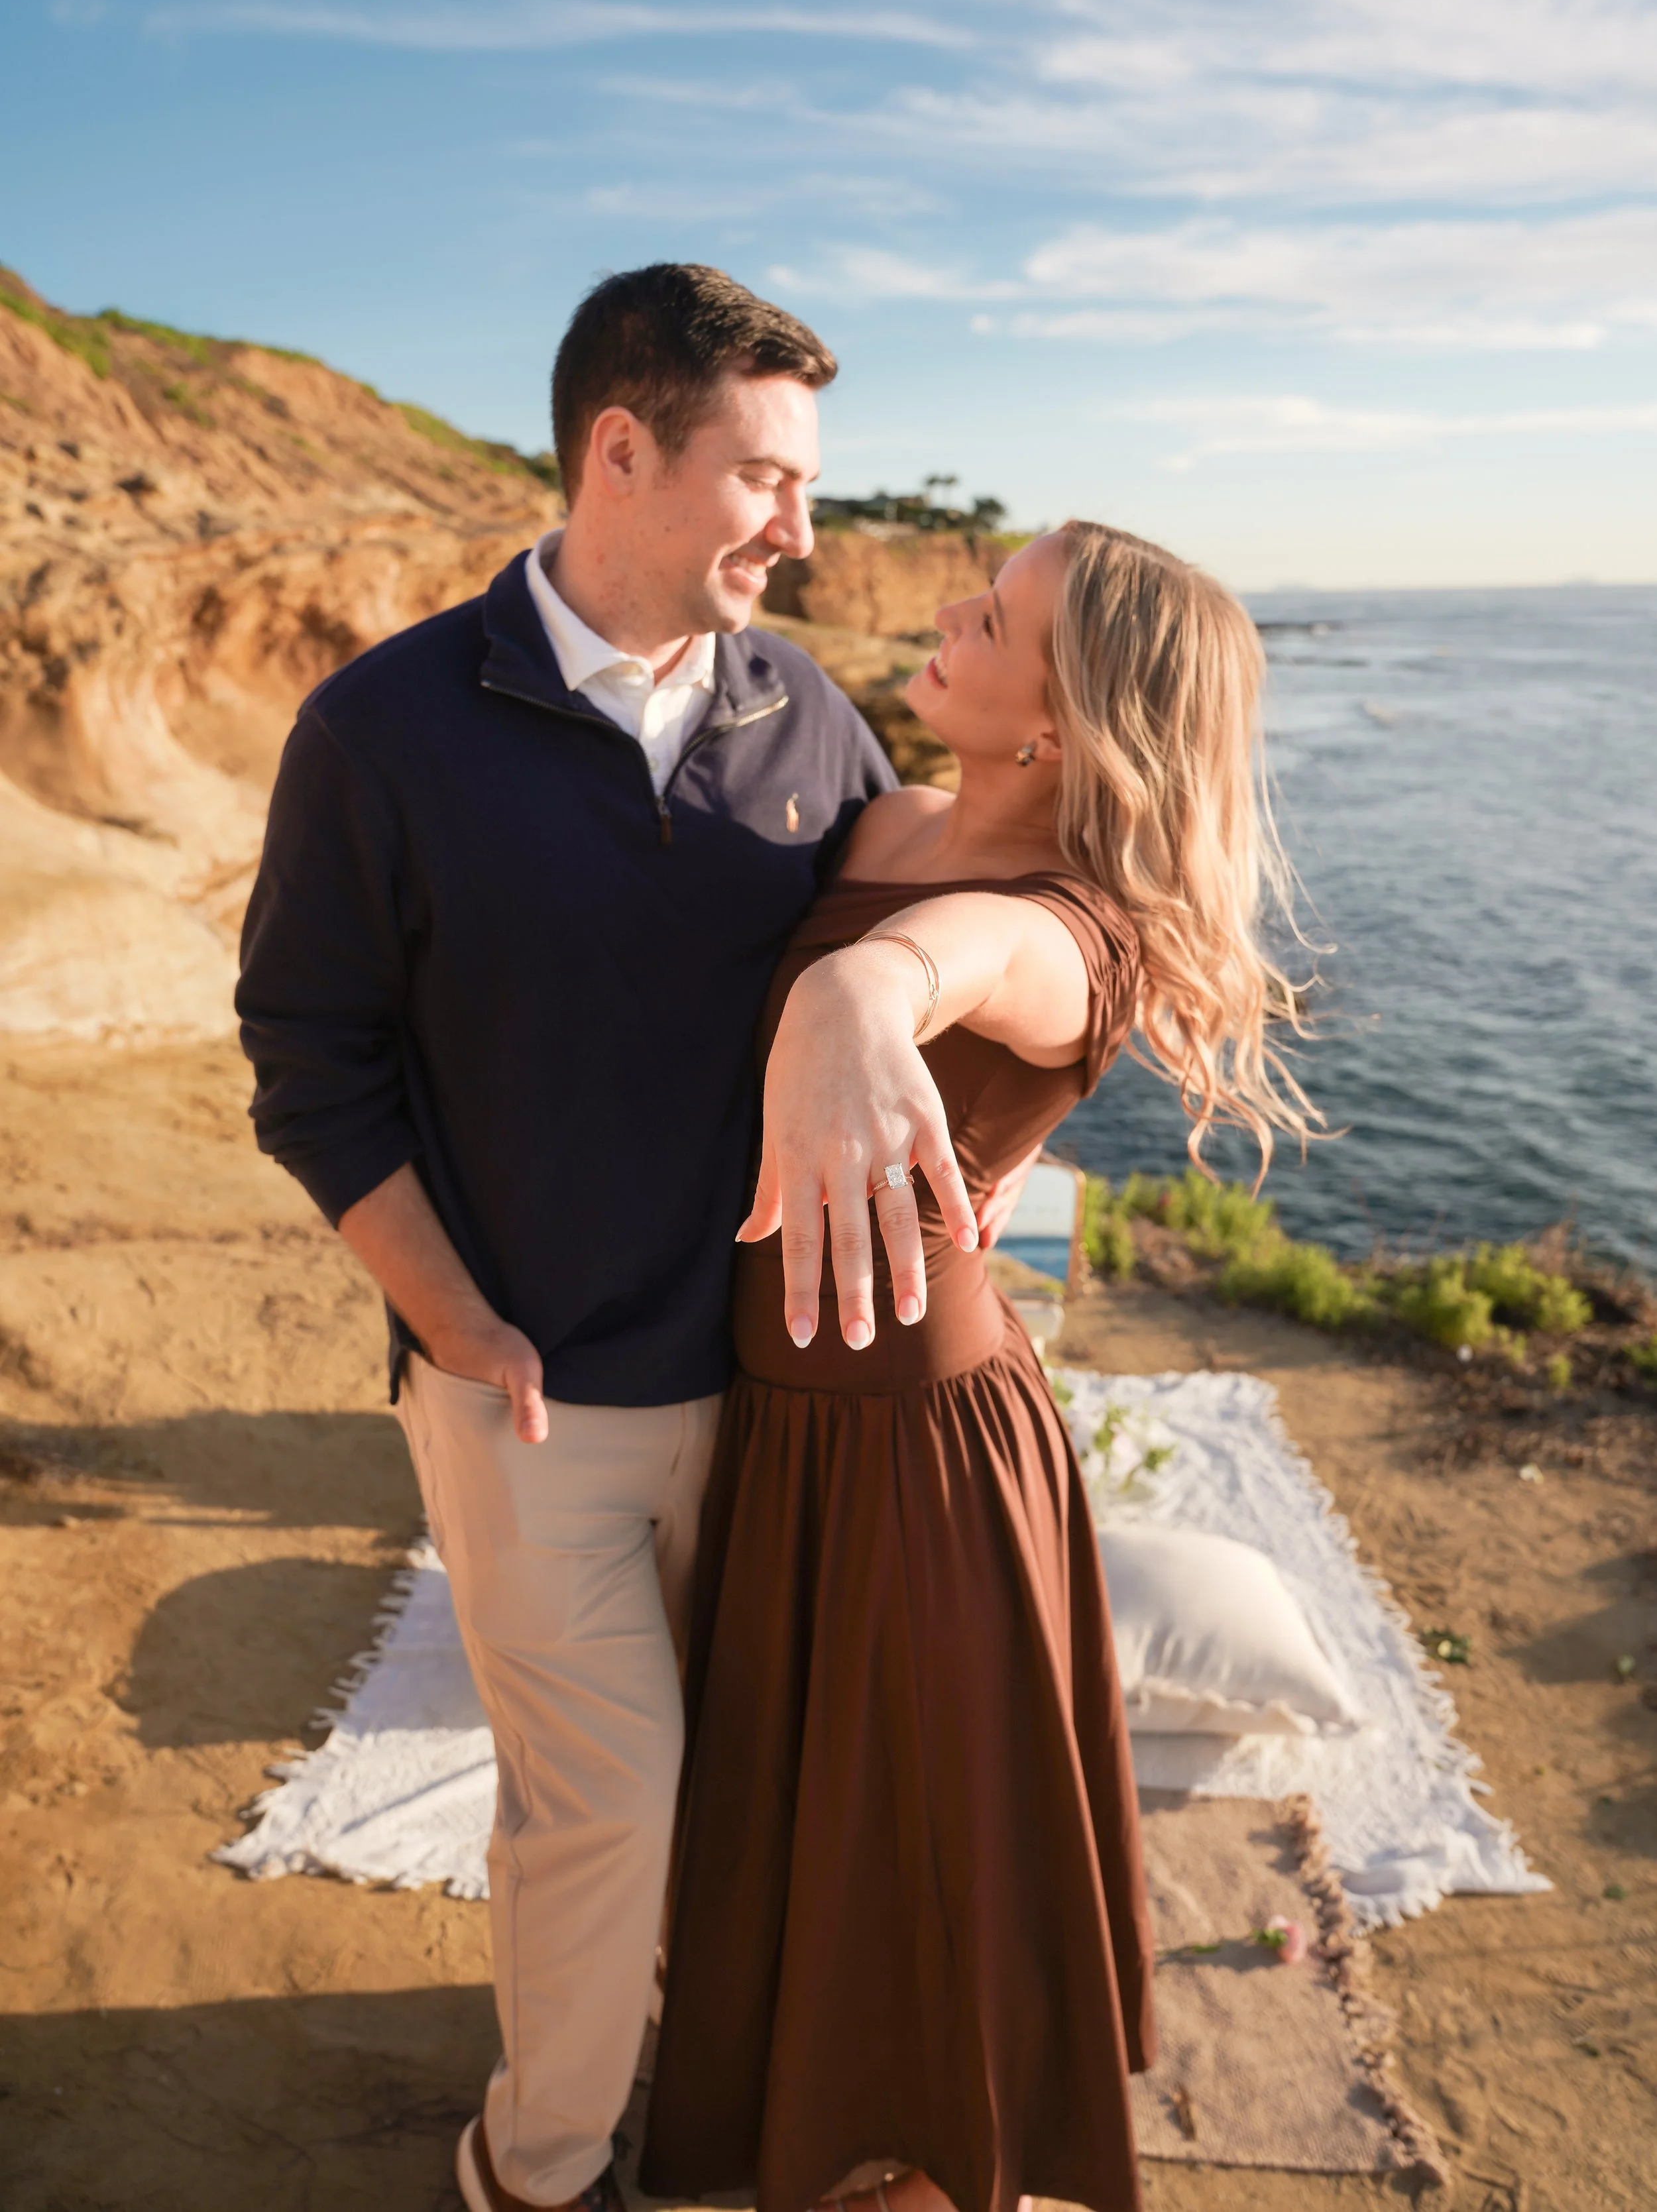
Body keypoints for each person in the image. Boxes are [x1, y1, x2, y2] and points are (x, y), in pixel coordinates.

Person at [237, 264, 1001, 2212]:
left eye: (808, 485)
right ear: (619, 450)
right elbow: (309, 1060)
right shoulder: (380, 727)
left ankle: (723, 2098)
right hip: (530, 1394)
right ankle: (541, 2167)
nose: (799, 530)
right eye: (762, 478)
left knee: (739, 1795)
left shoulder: (801, 706)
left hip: (766, 1397)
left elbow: (942, 908)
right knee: (609, 1804)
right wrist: (457, 1323)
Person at [640, 521, 1318, 2212]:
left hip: (903, 1435)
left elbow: (951, 961)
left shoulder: (1066, 934)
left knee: (913, 1822)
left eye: (995, 614)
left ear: (1063, 729)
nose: (948, 608)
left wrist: (869, 987)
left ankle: (938, 2158)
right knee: (787, 1793)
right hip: (774, 1397)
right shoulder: (884, 812)